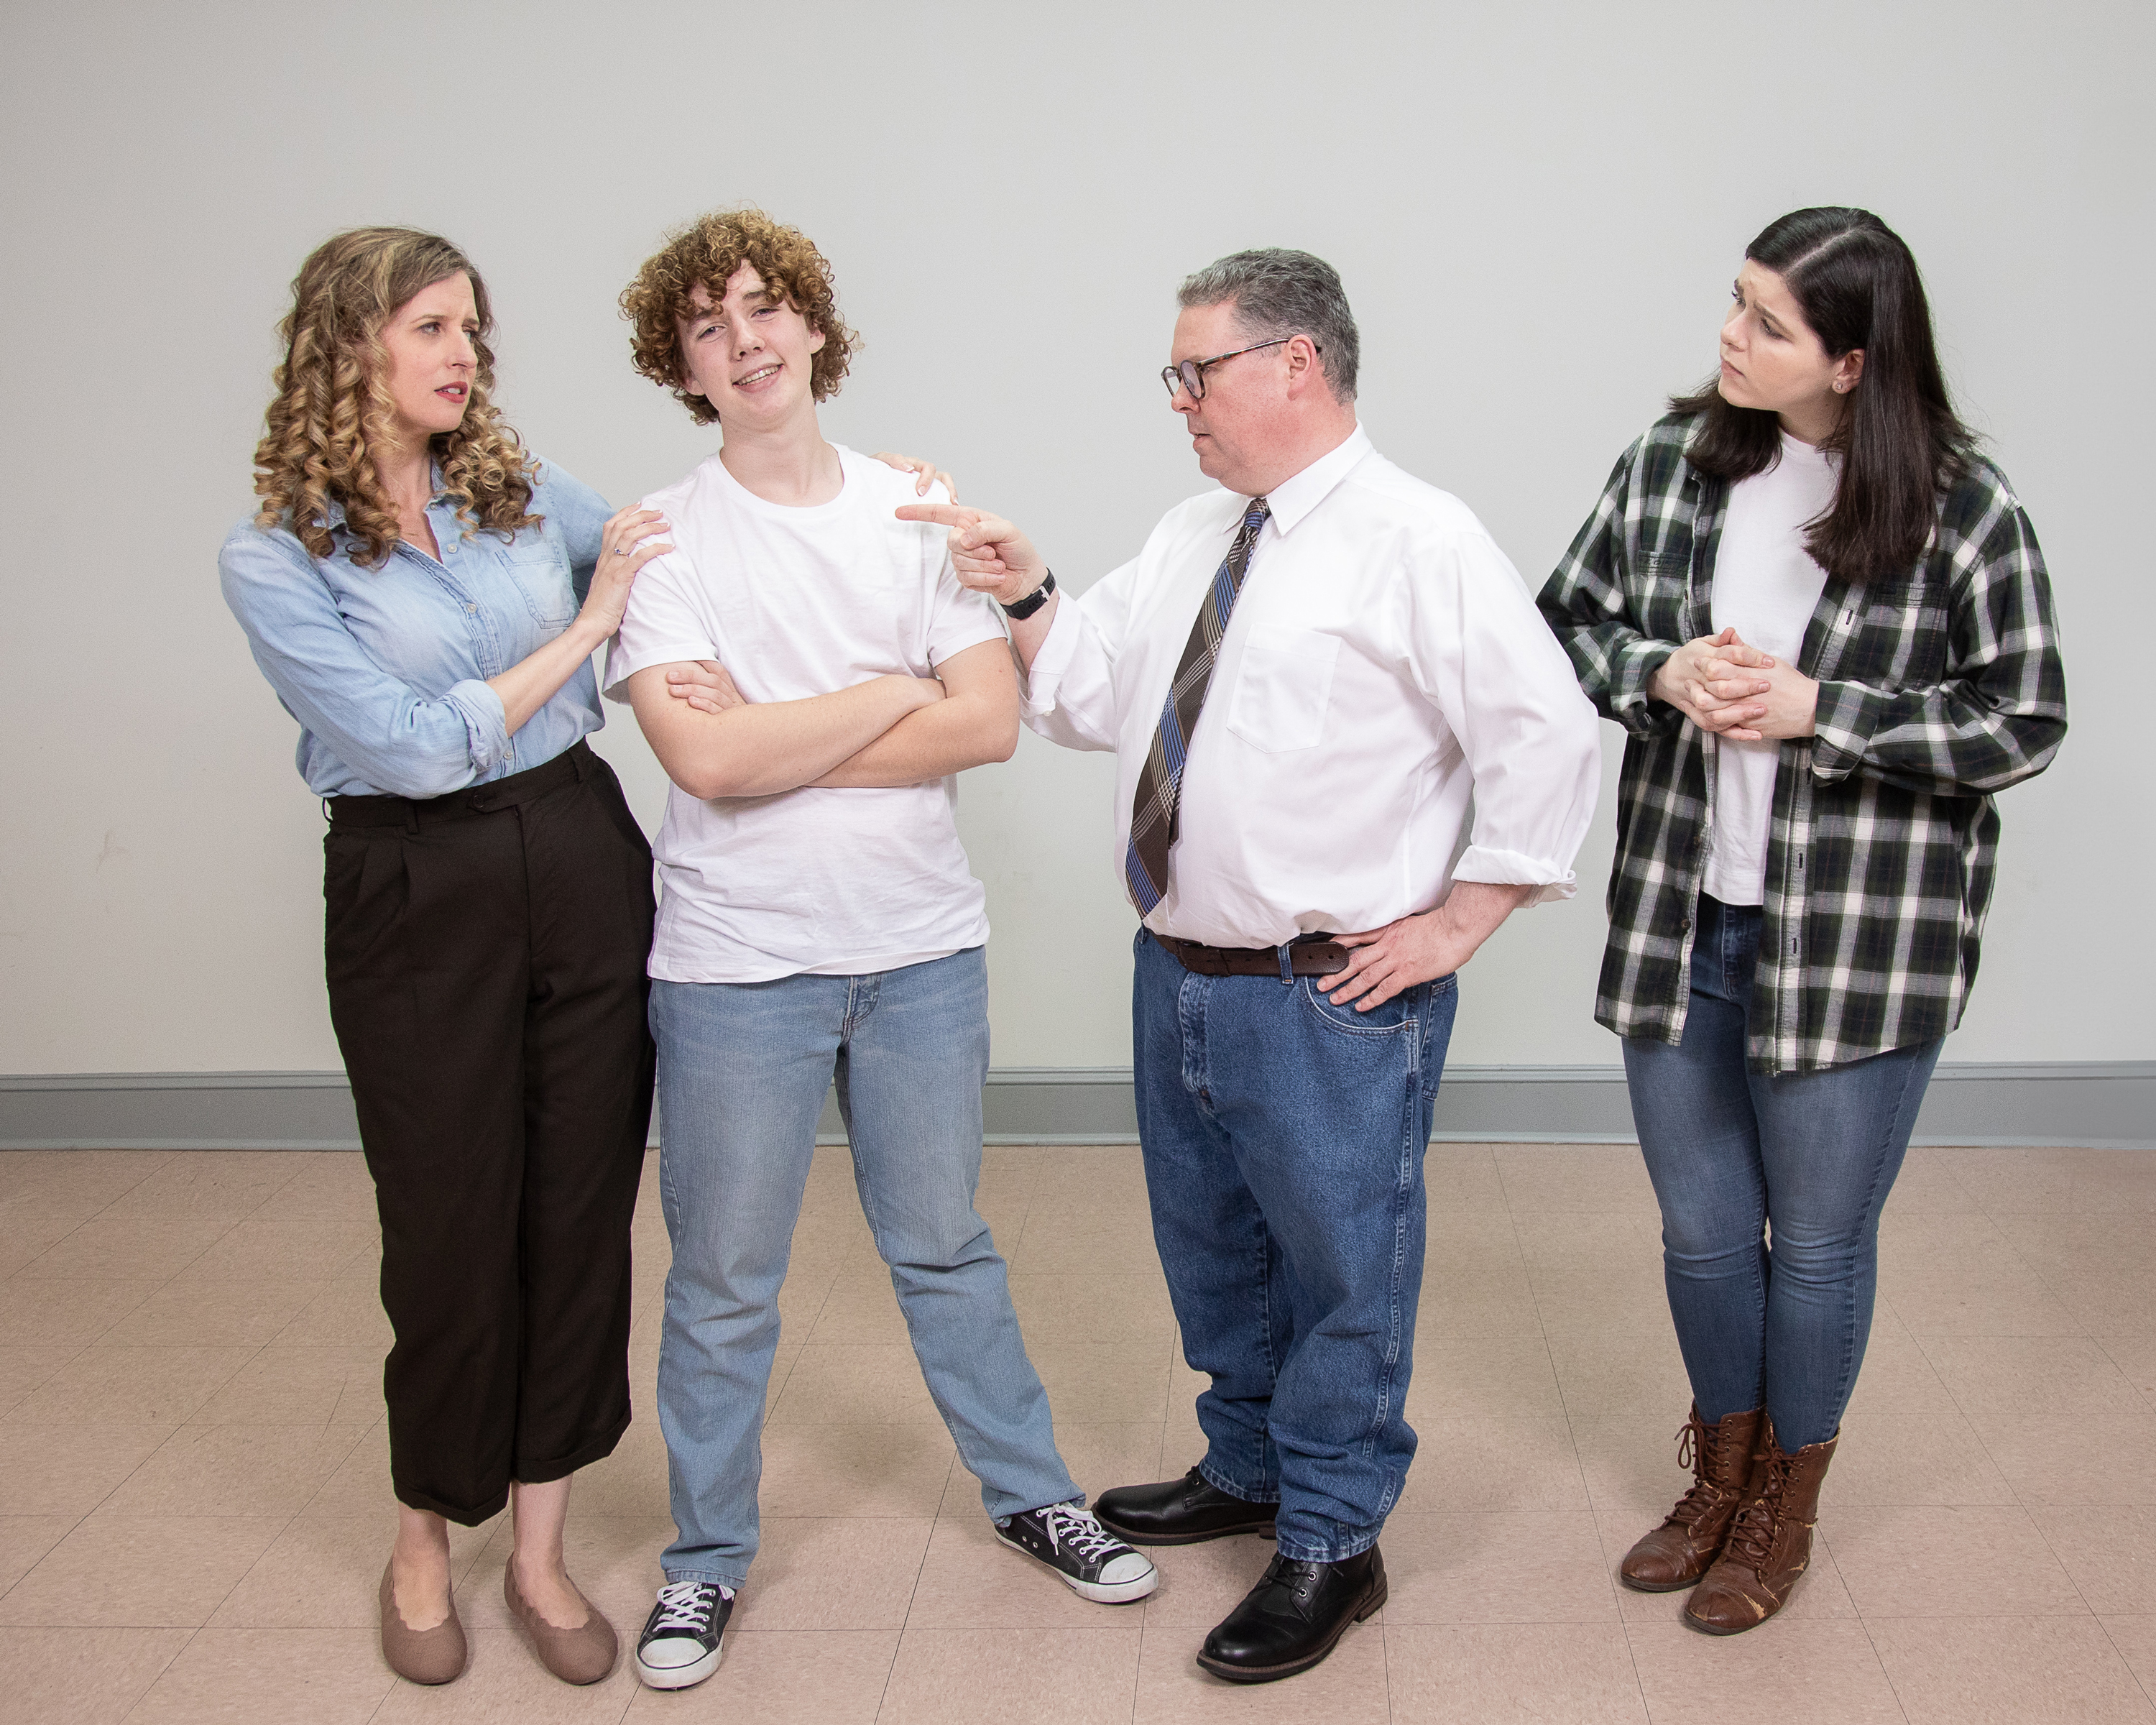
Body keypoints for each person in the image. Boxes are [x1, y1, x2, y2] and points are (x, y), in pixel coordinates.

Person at [901, 249, 1603, 1683]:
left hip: (1330, 995)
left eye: (1195, 371)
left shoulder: (1419, 537)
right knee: (1212, 1249)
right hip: (1183, 972)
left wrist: (1459, 920)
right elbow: (1096, 696)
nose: (1181, 402)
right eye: (1177, 376)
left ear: (1298, 363)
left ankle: (1338, 1539)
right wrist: (1030, 588)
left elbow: (1550, 735)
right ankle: (1252, 1469)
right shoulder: (1196, 531)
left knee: (1343, 1269)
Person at [602, 208, 1158, 1695]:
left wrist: (781, 726)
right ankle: (704, 1564)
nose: (747, 338)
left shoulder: (917, 508)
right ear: (686, 364)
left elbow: (986, 721)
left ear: (813, 330)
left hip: (918, 953)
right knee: (722, 1281)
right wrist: (873, 698)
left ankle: (1032, 1492)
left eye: (767, 309)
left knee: (944, 1246)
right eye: (711, 323)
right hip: (732, 968)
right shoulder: (663, 541)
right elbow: (702, 773)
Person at [1537, 207, 2068, 1634]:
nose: (1730, 336)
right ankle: (1719, 1470)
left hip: (1862, 945)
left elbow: (2025, 718)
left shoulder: (1966, 508)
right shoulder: (1668, 466)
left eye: (1768, 323)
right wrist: (1658, 672)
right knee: (1705, 1234)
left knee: (1819, 1244)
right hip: (1682, 919)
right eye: (1735, 303)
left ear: (1850, 361)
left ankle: (1785, 1508)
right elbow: (1565, 623)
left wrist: (1821, 710)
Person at [219, 227, 673, 1687]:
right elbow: (412, 756)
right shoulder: (277, 557)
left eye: (471, 326)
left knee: (578, 1209)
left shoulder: (522, 493)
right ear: (349, 345)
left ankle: (537, 1552)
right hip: (423, 884)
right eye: (429, 326)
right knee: (448, 1230)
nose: (464, 352)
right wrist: (592, 629)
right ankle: (429, 1532)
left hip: (581, 853)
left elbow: (679, 549)